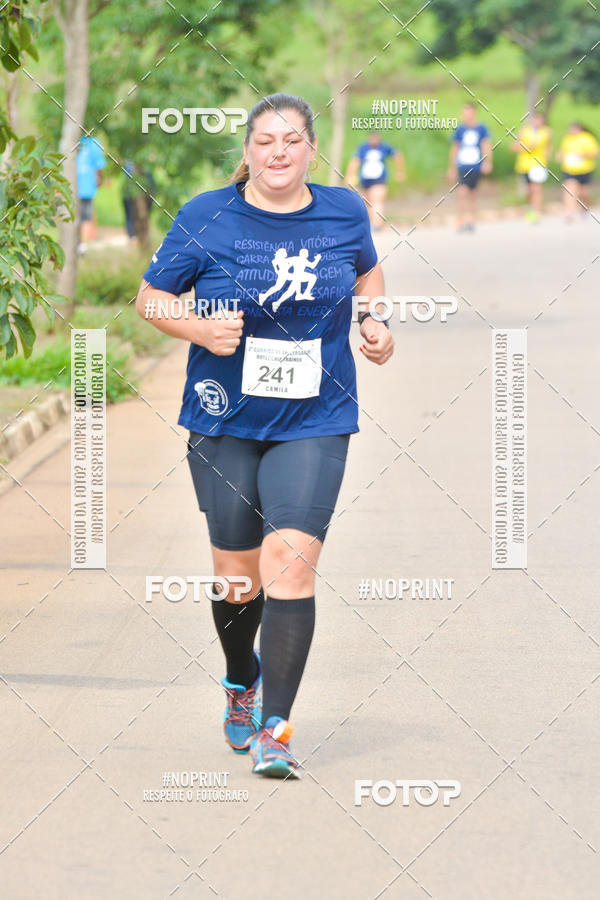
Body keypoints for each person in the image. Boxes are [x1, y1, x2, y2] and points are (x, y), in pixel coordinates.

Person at [135, 93, 394, 780]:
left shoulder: (344, 211)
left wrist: (373, 321)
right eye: (264, 140)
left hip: (315, 417)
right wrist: (195, 328)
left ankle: (276, 729)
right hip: (224, 419)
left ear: (311, 148)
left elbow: (366, 270)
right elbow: (151, 297)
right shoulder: (206, 217)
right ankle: (238, 677)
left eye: (291, 140)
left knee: (291, 566)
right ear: (246, 151)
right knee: (236, 581)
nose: (278, 151)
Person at [346, 132, 405, 230]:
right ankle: (371, 224)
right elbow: (355, 161)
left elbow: (397, 155)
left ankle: (377, 224)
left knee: (377, 201)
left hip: (379, 180)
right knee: (367, 202)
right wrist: (350, 174)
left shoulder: (384, 147)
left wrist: (400, 171)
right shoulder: (363, 148)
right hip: (365, 180)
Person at [448, 103, 492, 232]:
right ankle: (461, 220)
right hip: (463, 164)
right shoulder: (459, 129)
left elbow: (486, 145)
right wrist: (452, 166)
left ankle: (471, 220)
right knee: (462, 192)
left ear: (473, 113)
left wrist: (487, 162)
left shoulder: (481, 128)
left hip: (476, 165)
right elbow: (455, 147)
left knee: (473, 193)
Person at [511, 112, 552, 223]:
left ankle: (536, 212)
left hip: (538, 164)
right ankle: (531, 207)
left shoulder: (546, 132)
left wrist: (547, 157)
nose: (538, 122)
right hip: (524, 165)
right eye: (536, 119)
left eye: (540, 119)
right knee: (529, 190)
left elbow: (548, 146)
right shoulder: (524, 131)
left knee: (536, 188)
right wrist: (527, 147)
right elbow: (514, 147)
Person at [556, 122, 599, 222]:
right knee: (569, 189)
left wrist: (582, 155)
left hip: (585, 169)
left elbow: (594, 153)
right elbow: (562, 151)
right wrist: (560, 156)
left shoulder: (587, 138)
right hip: (569, 169)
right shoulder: (568, 139)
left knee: (583, 193)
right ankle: (569, 212)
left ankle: (585, 207)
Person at [76, 135, 106, 252]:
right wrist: (100, 179)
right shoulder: (94, 142)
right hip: (86, 186)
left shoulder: (75, 140)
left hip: (73, 186)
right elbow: (99, 165)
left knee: (78, 214)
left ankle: (83, 241)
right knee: (86, 217)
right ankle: (83, 245)